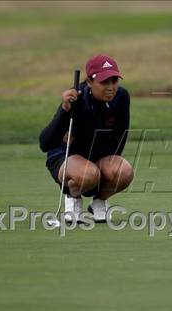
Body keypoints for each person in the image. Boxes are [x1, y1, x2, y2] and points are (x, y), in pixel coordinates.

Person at [39, 54, 134, 223]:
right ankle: (73, 198)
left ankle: (99, 202)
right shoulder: (77, 100)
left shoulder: (122, 97)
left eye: (114, 81)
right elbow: (45, 143)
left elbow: (120, 137)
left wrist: (105, 176)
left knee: (123, 171)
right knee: (88, 174)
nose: (111, 87)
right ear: (89, 82)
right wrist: (65, 109)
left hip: (95, 156)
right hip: (65, 158)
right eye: (104, 82)